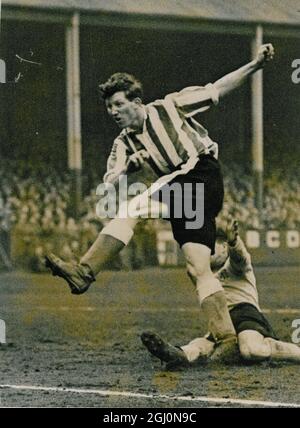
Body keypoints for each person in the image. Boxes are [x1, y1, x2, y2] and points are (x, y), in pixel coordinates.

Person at [45, 44, 275, 358]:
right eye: (109, 107)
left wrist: (256, 64)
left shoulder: (169, 106)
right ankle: (227, 339)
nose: (113, 112)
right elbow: (109, 180)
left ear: (136, 102)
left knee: (135, 206)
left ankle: (85, 271)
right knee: (197, 267)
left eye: (118, 104)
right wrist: (127, 167)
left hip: (201, 174)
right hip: (182, 193)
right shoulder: (124, 142)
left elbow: (217, 89)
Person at [141, 220, 300, 367]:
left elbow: (241, 257)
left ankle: (283, 348)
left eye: (209, 246)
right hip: (220, 321)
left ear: (224, 248)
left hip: (245, 316)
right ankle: (175, 353)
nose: (205, 251)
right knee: (199, 346)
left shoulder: (235, 267)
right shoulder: (204, 276)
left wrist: (234, 242)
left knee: (251, 350)